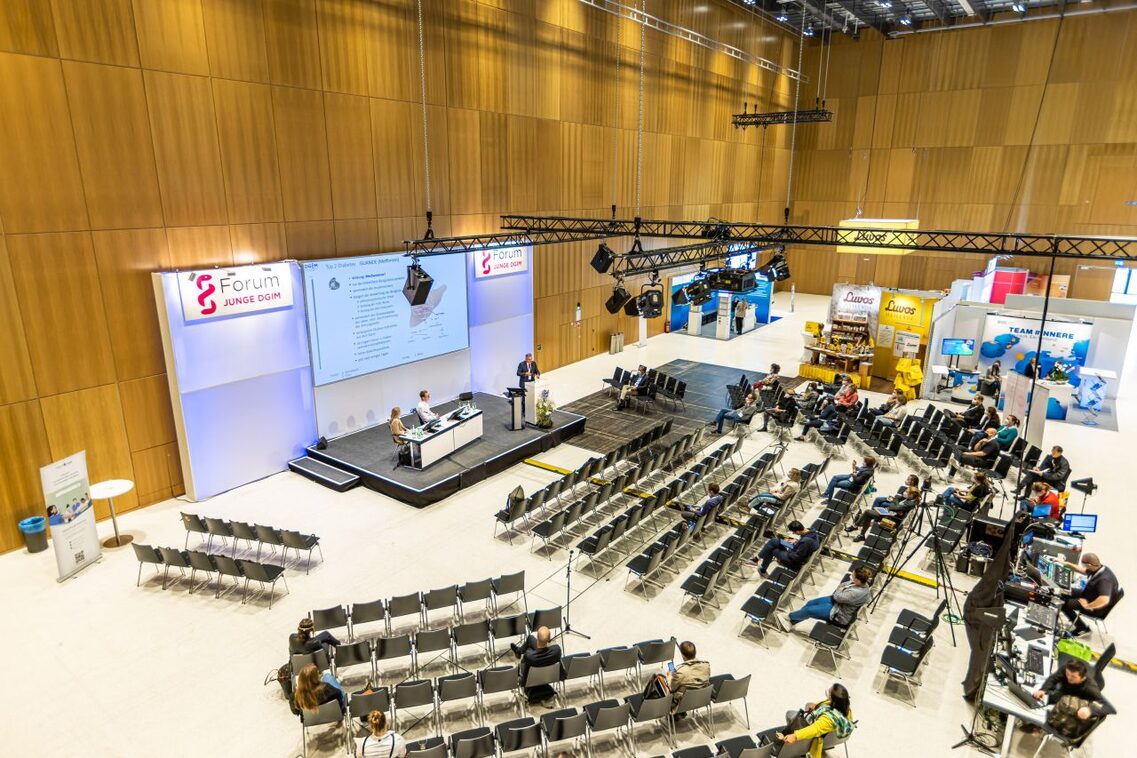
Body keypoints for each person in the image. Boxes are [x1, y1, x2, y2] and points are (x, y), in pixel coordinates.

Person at [770, 684, 854, 758]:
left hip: (814, 733)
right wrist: (816, 705)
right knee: (808, 704)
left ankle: (799, 747)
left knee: (789, 714)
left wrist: (795, 736)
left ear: (833, 700)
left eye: (829, 693)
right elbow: (827, 702)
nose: (827, 693)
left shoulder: (828, 720)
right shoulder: (845, 707)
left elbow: (814, 729)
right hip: (826, 732)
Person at [1059, 553, 1121, 637]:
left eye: (1083, 564)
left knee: (1064, 605)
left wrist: (1088, 606)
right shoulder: (1099, 568)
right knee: (1064, 590)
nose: (1083, 566)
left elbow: (1104, 599)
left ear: (1089, 565)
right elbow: (1083, 570)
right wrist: (1067, 564)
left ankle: (1082, 628)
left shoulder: (1104, 579)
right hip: (1090, 595)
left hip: (1096, 607)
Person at [788, 566, 873, 626]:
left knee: (808, 610)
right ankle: (791, 622)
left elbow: (838, 596)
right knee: (810, 603)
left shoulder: (857, 593)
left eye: (853, 576)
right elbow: (841, 587)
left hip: (839, 613)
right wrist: (840, 590)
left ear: (857, 580)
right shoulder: (862, 583)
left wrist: (840, 590)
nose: (850, 576)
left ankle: (788, 618)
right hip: (837, 603)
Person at [1032, 659, 1106, 719]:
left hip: (1072, 707)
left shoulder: (1091, 689)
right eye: (1067, 674)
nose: (1069, 678)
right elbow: (1054, 678)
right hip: (1062, 694)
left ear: (1082, 677)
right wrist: (1043, 690)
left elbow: (1106, 707)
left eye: (1073, 677)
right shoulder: (1067, 669)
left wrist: (1090, 710)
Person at [748, 520, 820, 576]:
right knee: (774, 541)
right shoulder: (811, 531)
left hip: (794, 561)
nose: (793, 534)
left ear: (797, 531)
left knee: (772, 549)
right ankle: (757, 561)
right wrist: (797, 542)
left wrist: (789, 550)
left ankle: (761, 567)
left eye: (793, 532)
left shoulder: (805, 542)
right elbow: (804, 545)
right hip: (797, 549)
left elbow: (797, 557)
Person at [847, 487, 919, 542]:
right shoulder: (908, 499)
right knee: (869, 514)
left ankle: (856, 525)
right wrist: (896, 505)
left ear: (911, 495)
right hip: (889, 513)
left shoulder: (910, 504)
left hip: (891, 519)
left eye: (907, 492)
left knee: (867, 512)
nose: (904, 492)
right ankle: (861, 533)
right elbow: (896, 499)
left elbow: (892, 506)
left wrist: (895, 506)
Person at [512, 626, 562, 703]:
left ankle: (519, 651)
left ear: (537, 638)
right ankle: (519, 650)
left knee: (529, 649)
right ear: (549, 639)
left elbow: (523, 670)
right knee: (530, 638)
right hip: (548, 676)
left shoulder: (529, 656)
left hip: (531, 681)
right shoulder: (557, 650)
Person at [668, 640, 710, 714]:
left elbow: (671, 688)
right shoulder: (706, 666)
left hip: (682, 703)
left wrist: (669, 675)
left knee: (658, 678)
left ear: (683, 656)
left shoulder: (680, 671)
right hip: (701, 699)